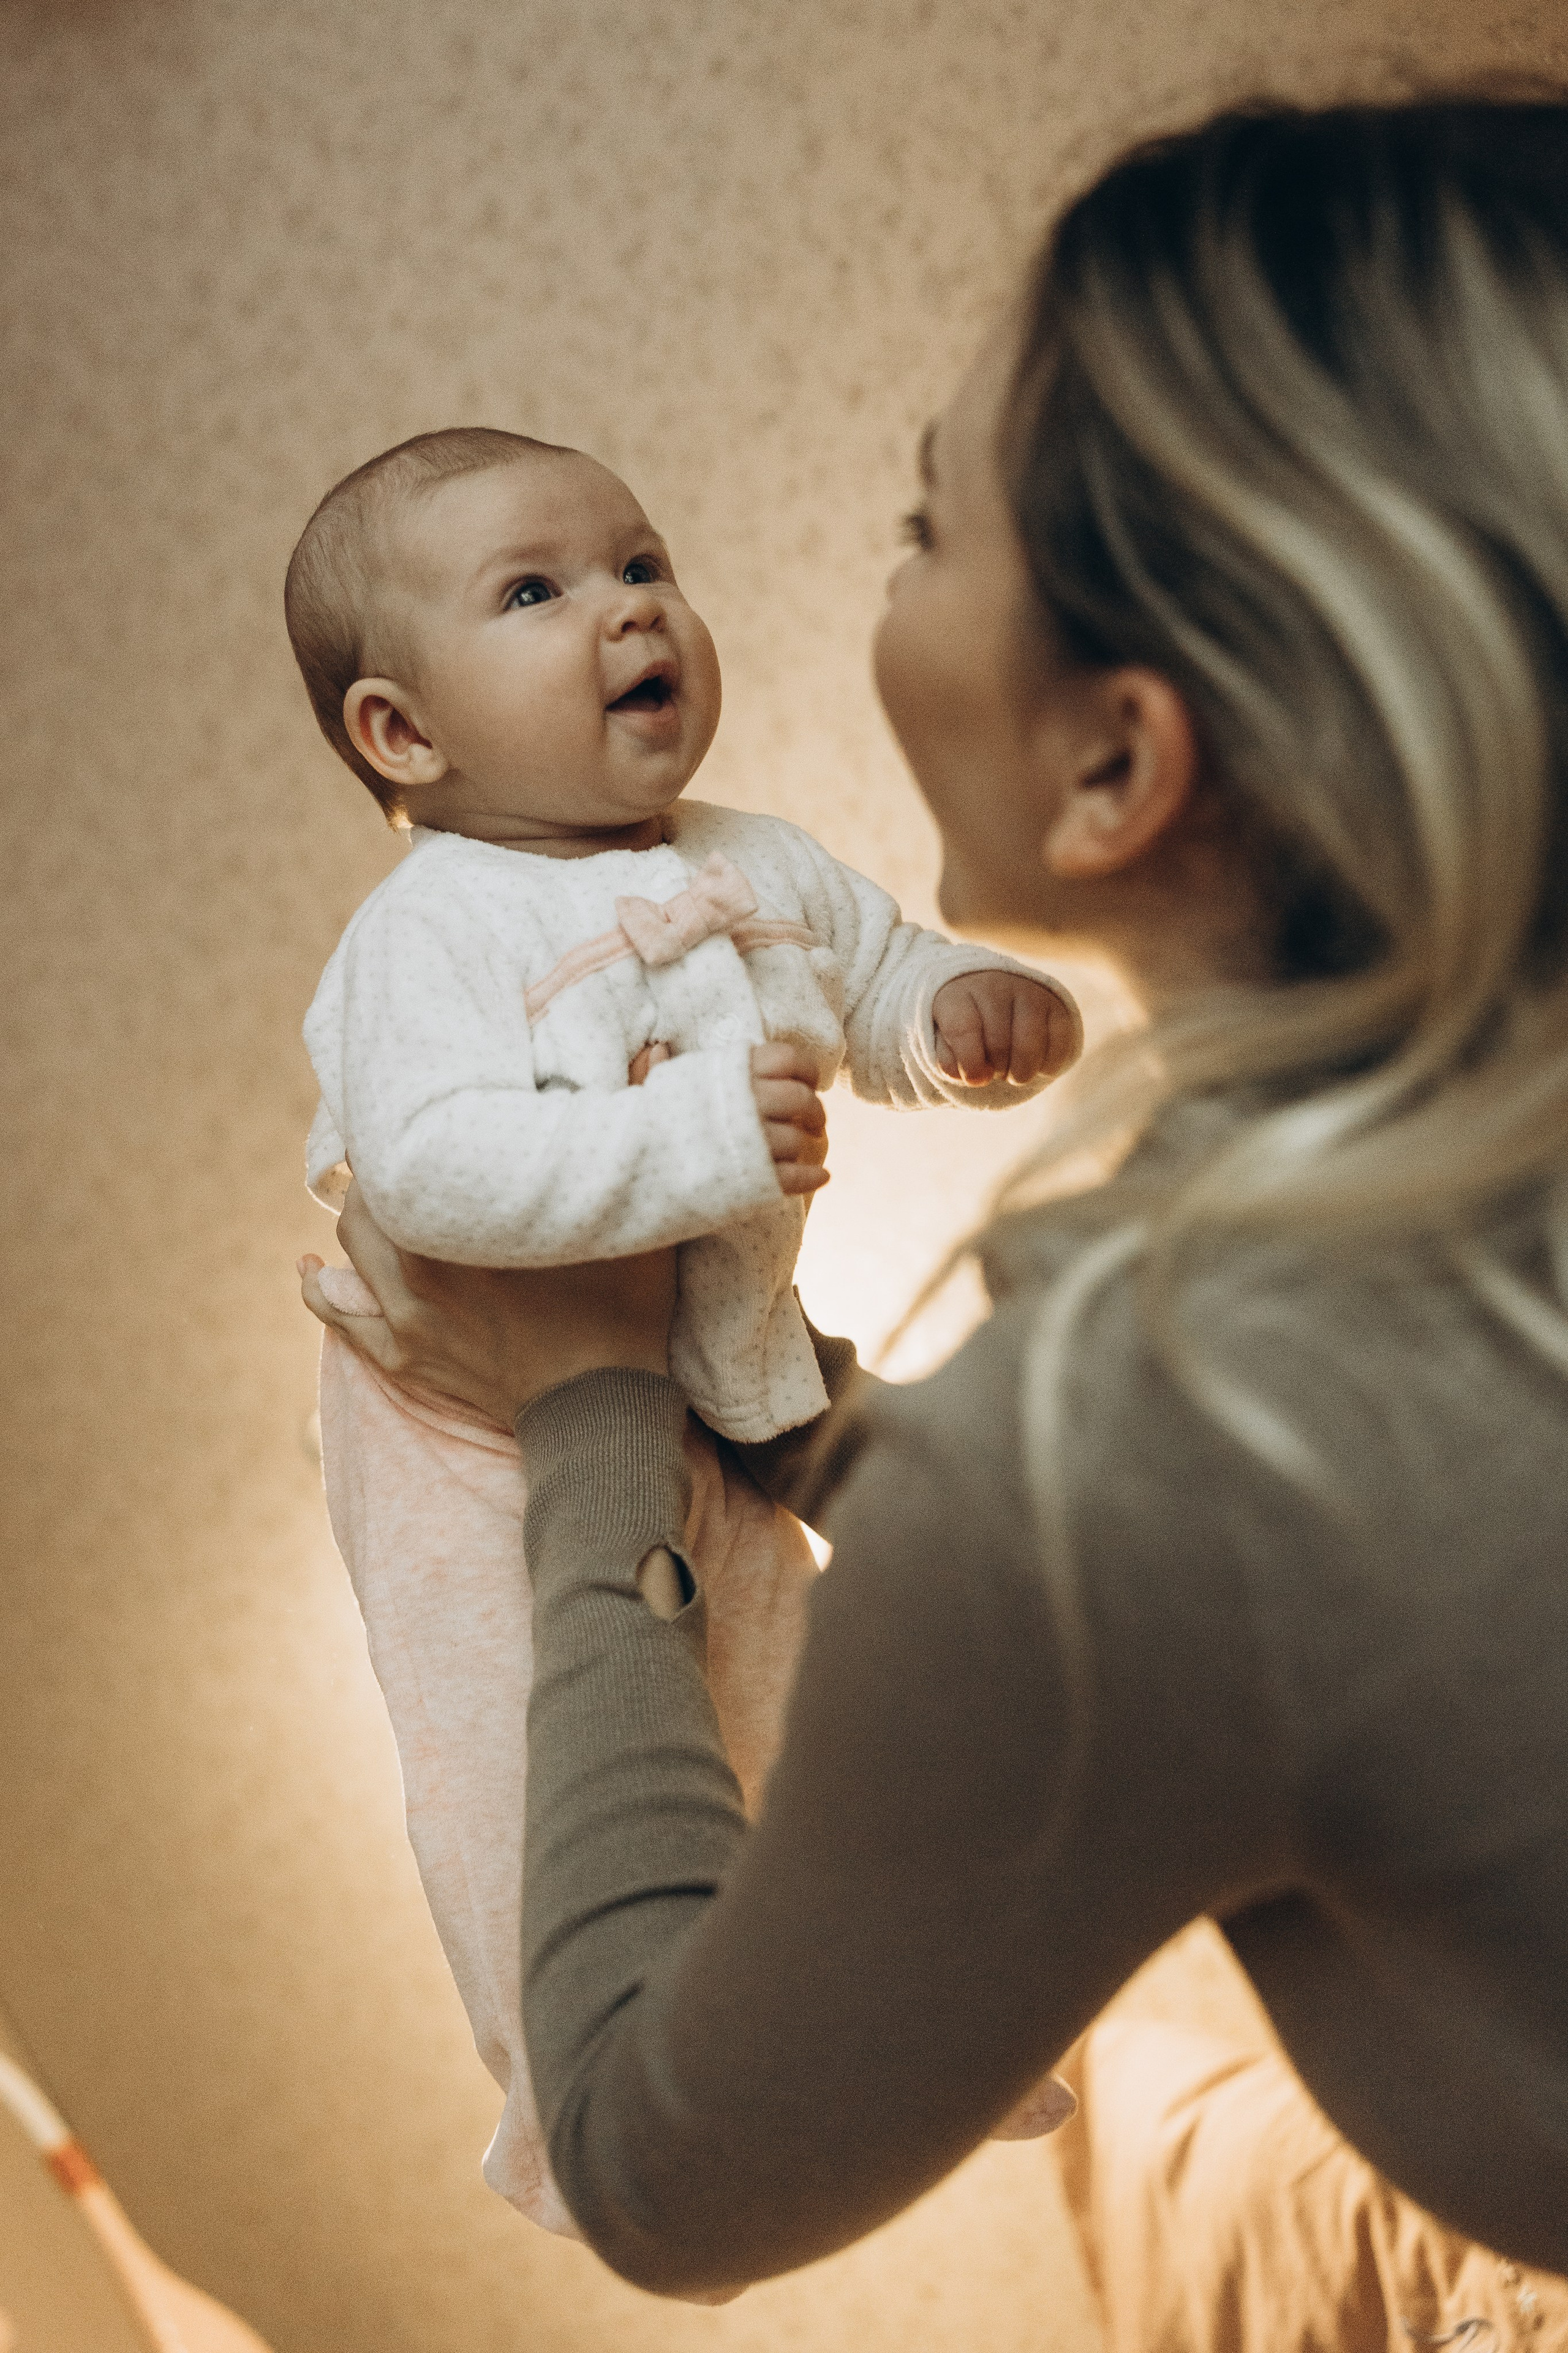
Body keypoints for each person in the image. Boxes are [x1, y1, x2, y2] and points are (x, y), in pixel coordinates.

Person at [301, 97, 1568, 2343]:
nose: (641, 617)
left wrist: (595, 1401)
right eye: (543, 591)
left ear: (1116, 760)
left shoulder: (1149, 1436)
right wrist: (822, 1432)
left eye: (922, 525)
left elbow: (659, 2158)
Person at [284, 431, 1080, 2232]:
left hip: (718, 1375)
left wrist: (958, 1009)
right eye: (537, 590)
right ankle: (579, 2094)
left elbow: (865, 977)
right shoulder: (429, 935)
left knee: (791, 1695)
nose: (630, 604)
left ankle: (892, 2019)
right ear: (405, 736)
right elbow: (428, 1170)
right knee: (514, 1761)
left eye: (641, 560)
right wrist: (700, 1139)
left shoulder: (750, 853)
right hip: (470, 1439)